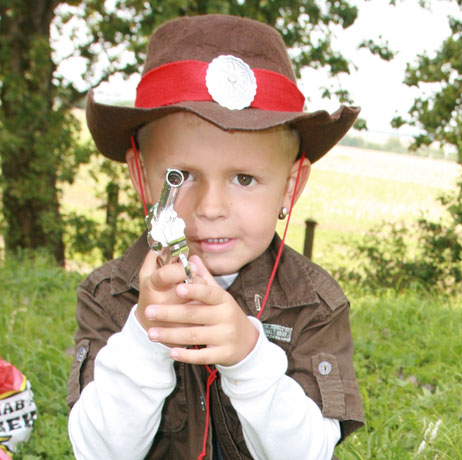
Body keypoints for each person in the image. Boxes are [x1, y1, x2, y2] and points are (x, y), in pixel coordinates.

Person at [66, 14, 363, 460]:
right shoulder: (109, 295)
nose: (210, 207)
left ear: (290, 186)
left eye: (244, 178)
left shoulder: (313, 304)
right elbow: (100, 452)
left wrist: (249, 359)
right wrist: (145, 334)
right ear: (141, 177)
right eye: (181, 175)